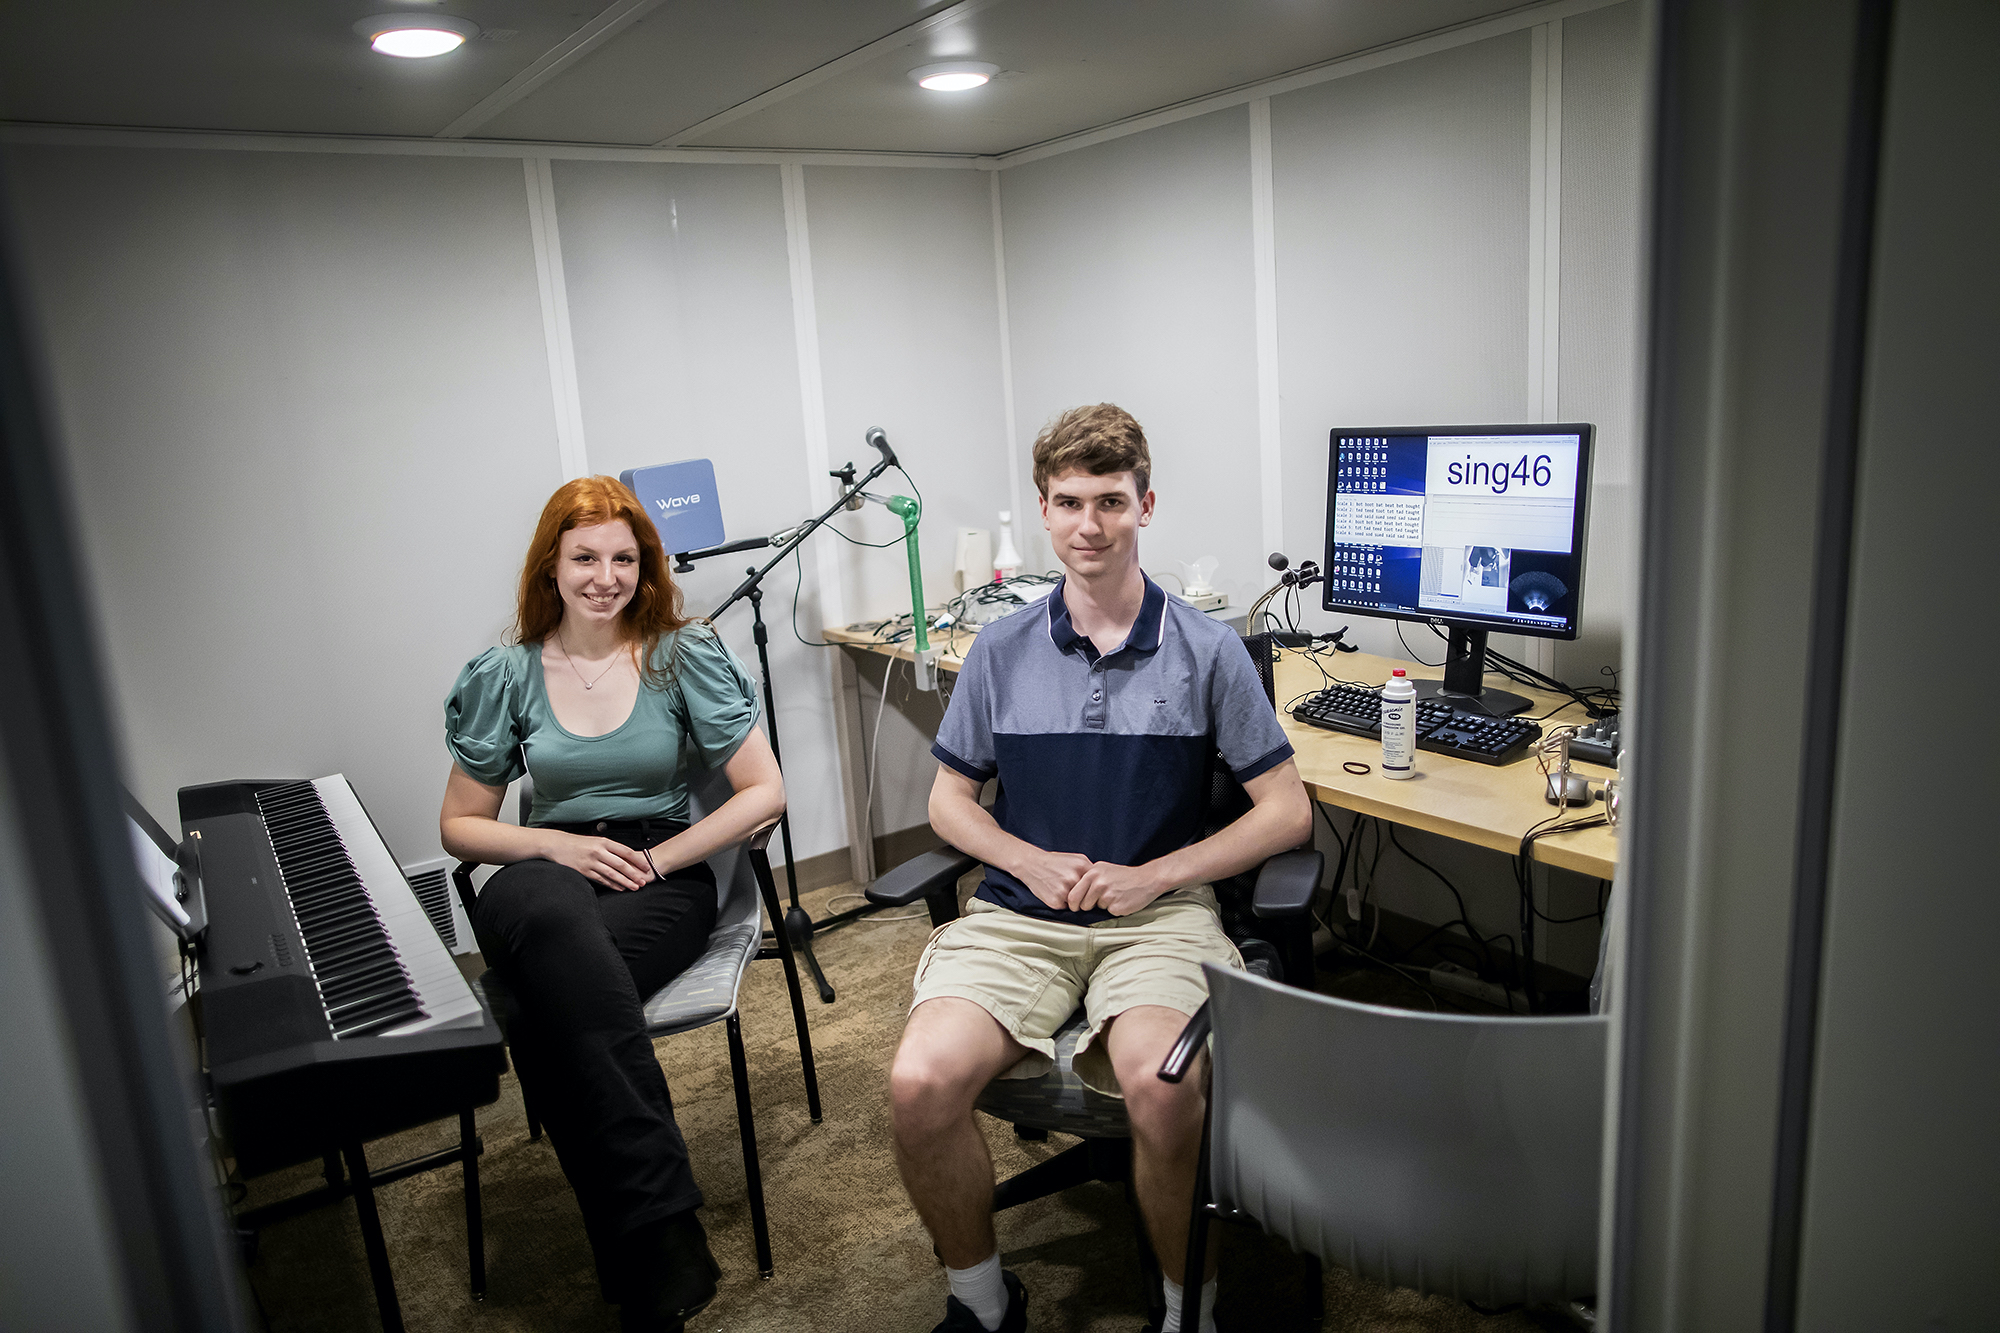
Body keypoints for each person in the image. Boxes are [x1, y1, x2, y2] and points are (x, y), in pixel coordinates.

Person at [888, 405, 1313, 1333]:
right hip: (1018, 913)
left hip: (1157, 919)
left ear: (1146, 505)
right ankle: (985, 1303)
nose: (1090, 524)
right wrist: (1024, 859)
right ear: (1043, 510)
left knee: (1162, 1086)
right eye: (1070, 502)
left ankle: (1183, 1310)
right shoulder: (998, 650)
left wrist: (1157, 875)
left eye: (1111, 501)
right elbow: (949, 803)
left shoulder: (1208, 650)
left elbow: (1288, 811)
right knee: (918, 1086)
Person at [439, 475, 785, 1332]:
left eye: (624, 558)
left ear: (647, 566)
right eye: (585, 556)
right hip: (540, 870)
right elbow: (460, 826)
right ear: (550, 566)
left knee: (534, 1002)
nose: (605, 576)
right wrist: (558, 843)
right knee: (549, 915)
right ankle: (664, 1229)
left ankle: (640, 1244)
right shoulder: (507, 672)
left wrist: (656, 857)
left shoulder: (680, 653)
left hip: (657, 875)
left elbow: (763, 790)